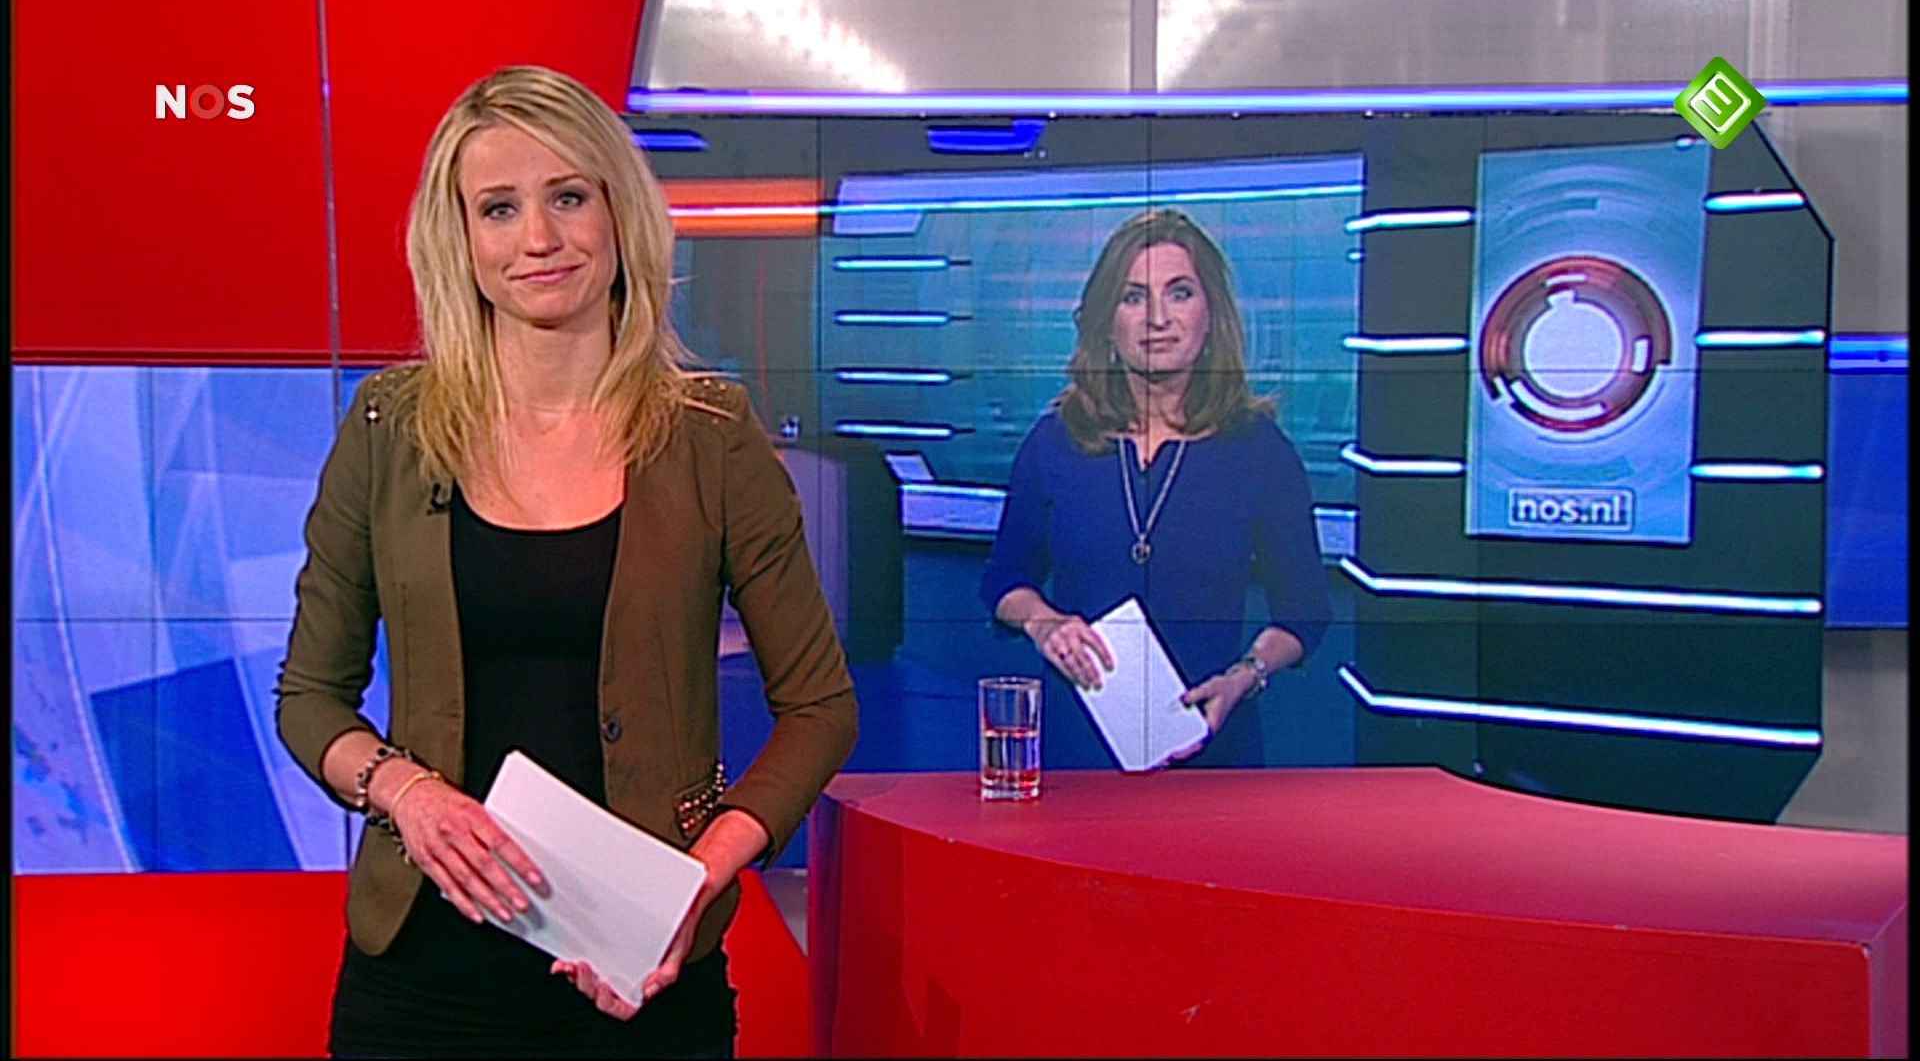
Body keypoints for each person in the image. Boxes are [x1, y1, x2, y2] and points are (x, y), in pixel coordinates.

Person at [275, 65, 858, 1059]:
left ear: (620, 213)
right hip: (421, 979)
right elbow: (309, 700)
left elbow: (820, 708)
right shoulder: (387, 429)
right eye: (499, 208)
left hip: (641, 973)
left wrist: (699, 876)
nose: (538, 239)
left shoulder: (710, 435)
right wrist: (405, 791)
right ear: (459, 239)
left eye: (569, 197)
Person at [980, 208, 1332, 770]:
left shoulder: (1260, 450)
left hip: (1212, 752)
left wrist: (1244, 677)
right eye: (1134, 297)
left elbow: (1304, 611)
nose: (1158, 319)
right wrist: (1045, 625)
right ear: (1107, 322)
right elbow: (1006, 581)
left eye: (1180, 293)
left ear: (1211, 315)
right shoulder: (1056, 442)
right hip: (1080, 754)